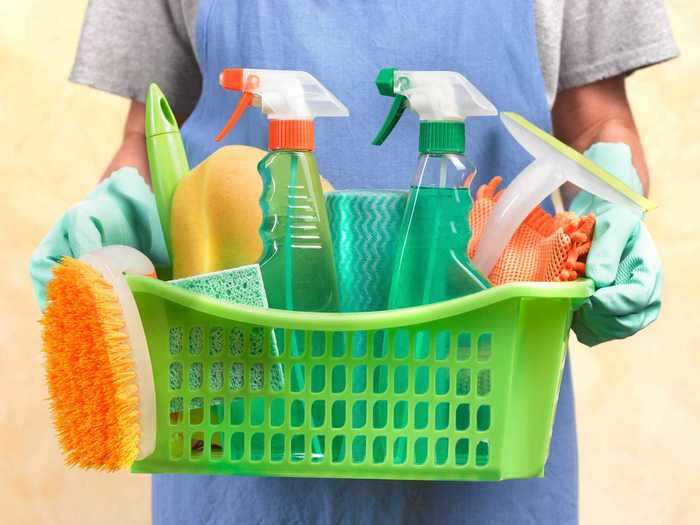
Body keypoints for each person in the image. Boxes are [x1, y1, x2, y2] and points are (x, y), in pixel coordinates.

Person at [30, 1, 675, 523]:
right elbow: (146, 134)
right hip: (235, 433)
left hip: (477, 419)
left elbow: (595, 122)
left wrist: (606, 210)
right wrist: (124, 216)